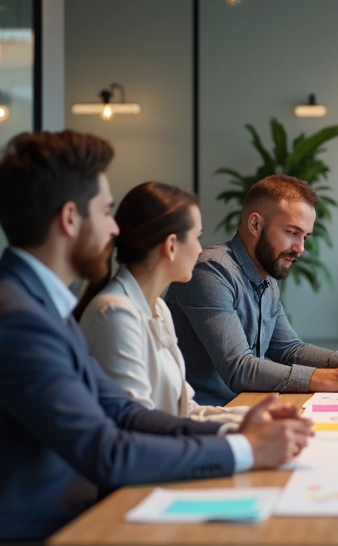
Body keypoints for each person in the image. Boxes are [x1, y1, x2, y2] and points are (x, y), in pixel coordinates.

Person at [0, 132, 313, 546]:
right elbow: (108, 451)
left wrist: (237, 432)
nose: (115, 230)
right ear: (69, 219)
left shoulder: (38, 305)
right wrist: (244, 450)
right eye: (105, 211)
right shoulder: (17, 320)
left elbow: (124, 412)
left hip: (69, 523)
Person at [166, 175, 338, 406]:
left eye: (305, 236)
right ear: (255, 224)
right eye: (292, 232)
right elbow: (239, 369)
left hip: (245, 408)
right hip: (201, 419)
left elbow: (290, 350)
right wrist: (334, 378)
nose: (300, 248)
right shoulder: (211, 271)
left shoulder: (266, 278)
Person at [77, 181, 247, 426]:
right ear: (171, 245)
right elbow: (140, 425)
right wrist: (238, 433)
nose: (200, 249)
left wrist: (248, 419)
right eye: (197, 237)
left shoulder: (158, 308)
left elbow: (183, 409)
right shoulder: (115, 314)